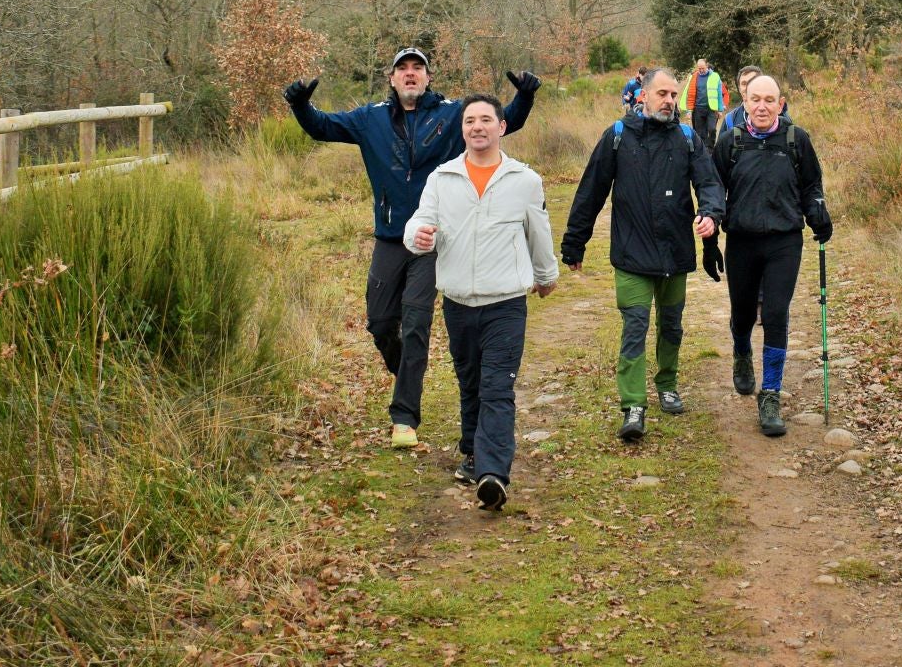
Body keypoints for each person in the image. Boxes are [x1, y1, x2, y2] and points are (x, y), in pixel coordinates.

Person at [283, 48, 542, 448]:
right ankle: (408, 370)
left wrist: (524, 96)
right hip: (390, 236)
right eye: (402, 69)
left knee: (416, 320)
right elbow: (322, 127)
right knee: (381, 323)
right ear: (391, 78)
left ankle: (404, 418)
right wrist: (301, 104)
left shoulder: (451, 116)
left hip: (432, 236)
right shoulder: (369, 119)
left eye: (416, 68)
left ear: (427, 77)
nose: (409, 74)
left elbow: (498, 123)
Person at [406, 94, 557, 511]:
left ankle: (493, 472)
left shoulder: (524, 180)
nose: (477, 127)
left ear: (501, 127)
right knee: (470, 382)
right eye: (470, 120)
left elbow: (538, 233)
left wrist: (545, 276)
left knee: (497, 387)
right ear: (463, 129)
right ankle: (472, 452)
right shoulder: (442, 178)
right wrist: (417, 236)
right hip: (456, 300)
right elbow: (420, 220)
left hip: (506, 302)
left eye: (486, 120)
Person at [561, 66, 725, 443]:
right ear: (643, 96)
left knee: (672, 325)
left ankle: (667, 382)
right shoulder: (618, 136)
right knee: (635, 326)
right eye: (662, 94)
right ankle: (633, 404)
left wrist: (710, 214)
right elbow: (591, 192)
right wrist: (574, 242)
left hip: (674, 253)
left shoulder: (687, 138)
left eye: (673, 95)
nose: (669, 101)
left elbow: (709, 183)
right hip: (632, 253)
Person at [711, 75, 832, 437]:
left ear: (781, 104)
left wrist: (818, 213)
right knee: (743, 312)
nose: (762, 106)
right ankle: (742, 351)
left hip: (784, 241)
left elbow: (812, 185)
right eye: (755, 99)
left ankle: (771, 395)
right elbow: (714, 188)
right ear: (744, 103)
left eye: (769, 100)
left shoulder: (797, 141)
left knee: (776, 314)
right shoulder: (730, 143)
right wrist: (710, 223)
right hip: (743, 241)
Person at [679, 57, 725, 150]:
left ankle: (711, 148)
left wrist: (720, 109)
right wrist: (689, 111)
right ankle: (703, 150)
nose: (701, 70)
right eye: (699, 68)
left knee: (712, 129)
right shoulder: (694, 77)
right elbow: (690, 94)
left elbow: (719, 94)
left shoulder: (715, 76)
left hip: (711, 109)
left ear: (707, 66)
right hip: (698, 109)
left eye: (702, 68)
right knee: (700, 132)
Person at [720, 65, 764, 135]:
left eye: (752, 81)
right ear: (739, 89)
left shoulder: (778, 116)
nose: (748, 87)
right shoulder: (730, 120)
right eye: (744, 84)